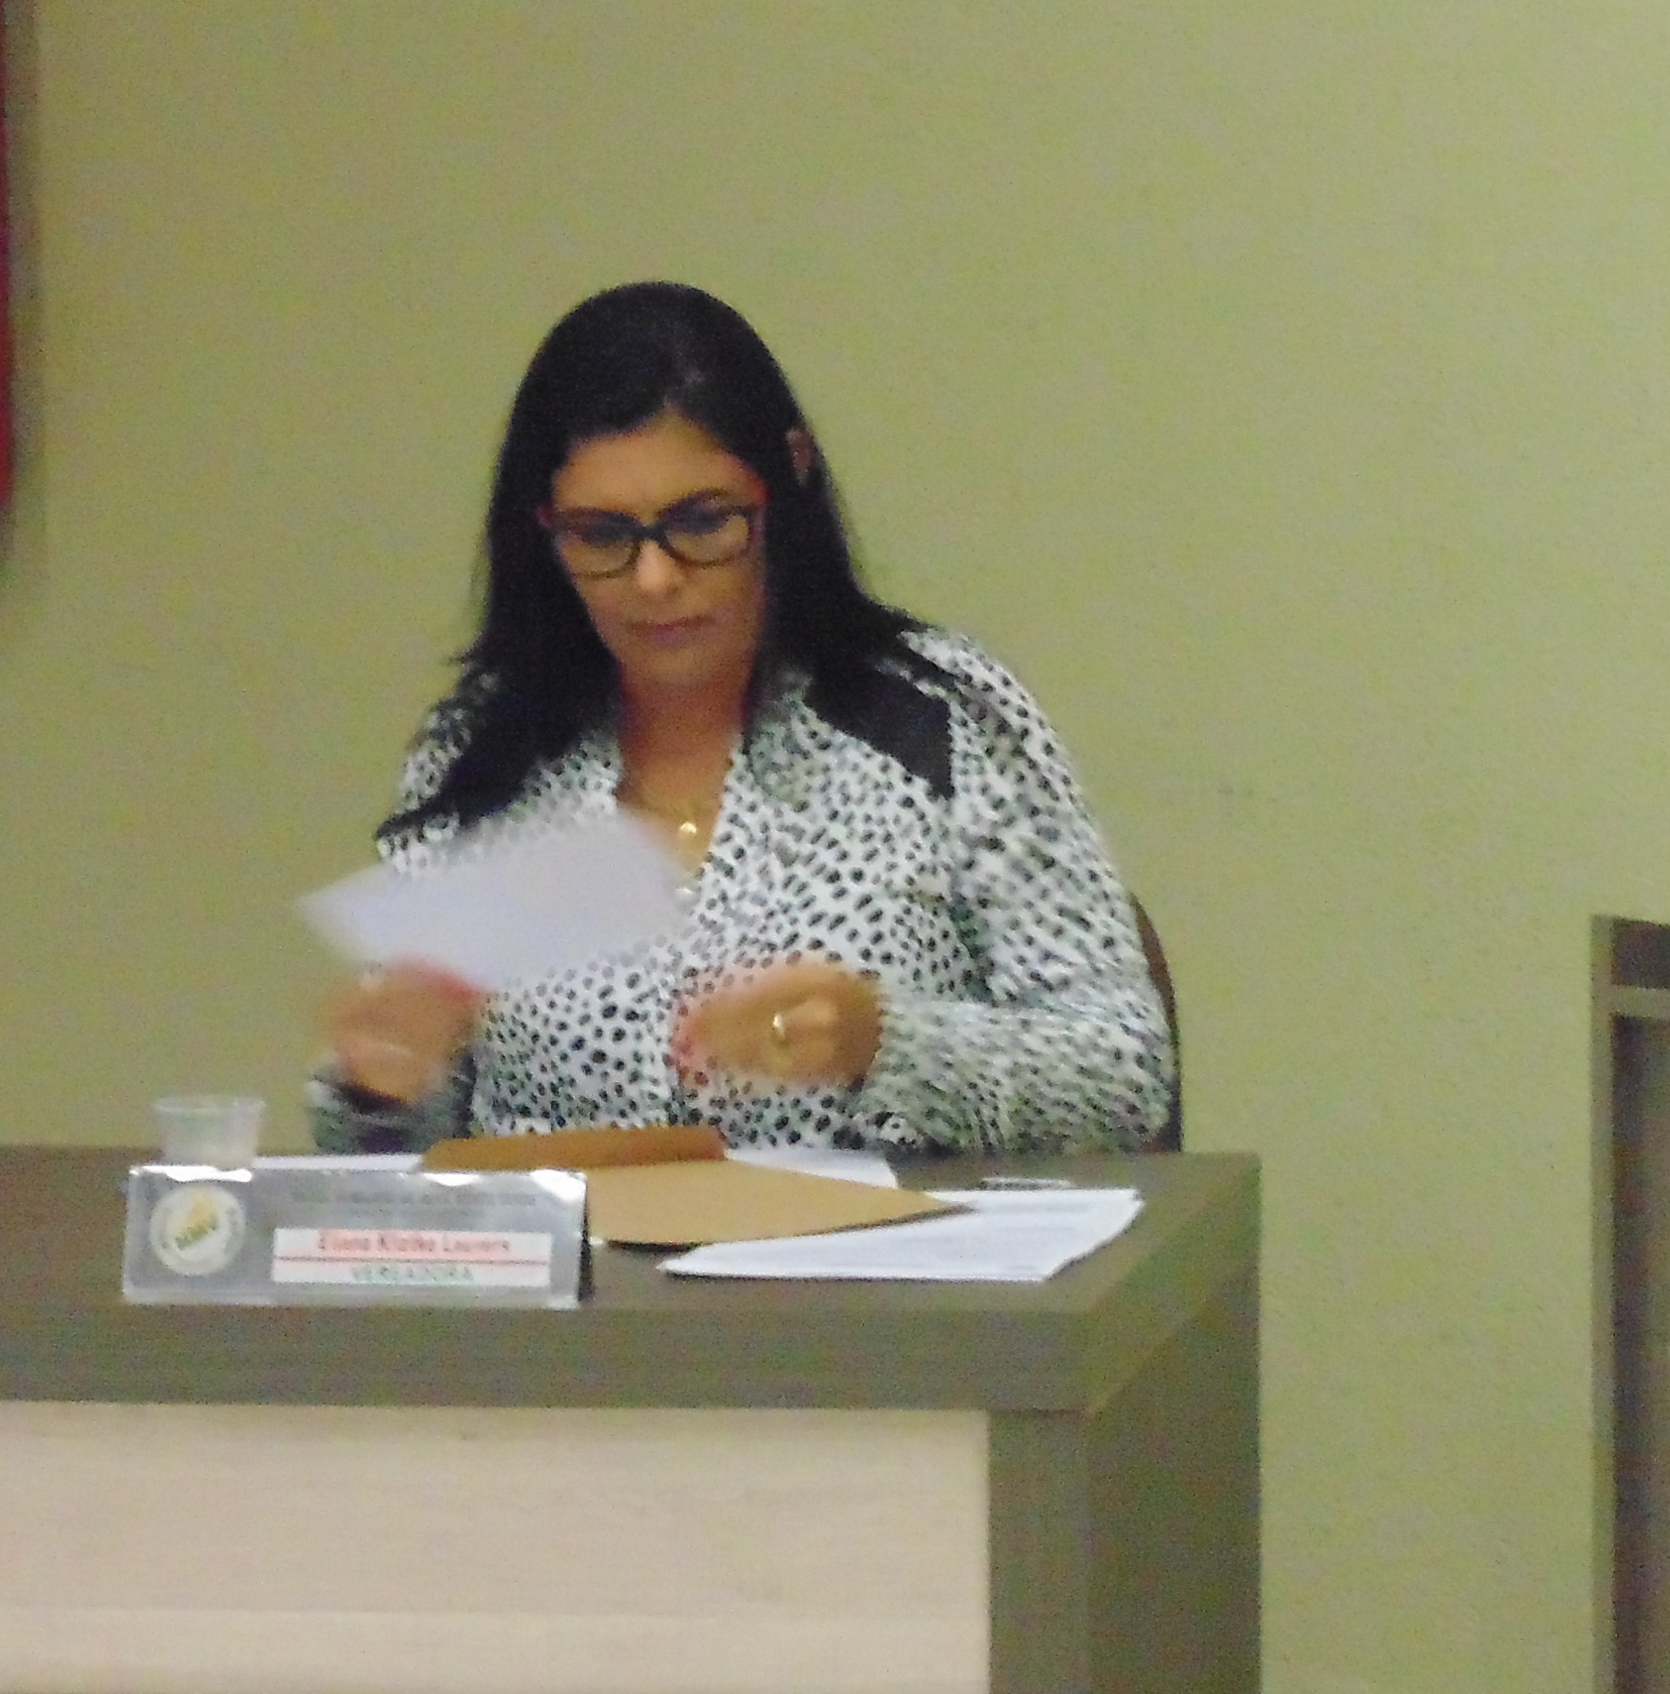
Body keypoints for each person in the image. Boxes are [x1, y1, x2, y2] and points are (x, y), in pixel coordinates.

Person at [311, 282, 1175, 1153]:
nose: (655, 578)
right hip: (576, 1242)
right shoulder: (485, 756)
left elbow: (1124, 1072)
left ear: (788, 478)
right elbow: (391, 1166)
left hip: (881, 1238)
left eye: (703, 522)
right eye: (602, 535)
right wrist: (380, 1081)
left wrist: (887, 1042)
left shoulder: (939, 720)